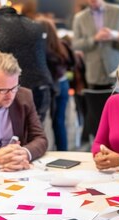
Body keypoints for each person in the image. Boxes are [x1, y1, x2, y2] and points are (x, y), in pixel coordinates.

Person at [0, 0, 53, 122]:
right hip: (42, 89)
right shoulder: (36, 25)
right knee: (35, 135)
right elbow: (46, 58)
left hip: (11, 91)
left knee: (10, 136)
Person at [72, 0, 119, 89]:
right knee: (96, 102)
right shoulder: (79, 18)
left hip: (116, 70)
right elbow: (75, 44)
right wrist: (94, 39)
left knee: (118, 102)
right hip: (94, 72)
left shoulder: (118, 11)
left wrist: (116, 36)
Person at [37, 16, 75, 151]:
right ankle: (63, 152)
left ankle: (39, 150)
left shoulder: (40, 49)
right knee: (59, 122)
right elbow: (72, 63)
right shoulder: (62, 45)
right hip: (63, 85)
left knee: (39, 122)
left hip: (48, 87)